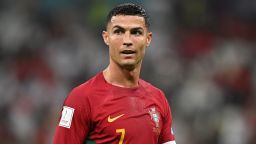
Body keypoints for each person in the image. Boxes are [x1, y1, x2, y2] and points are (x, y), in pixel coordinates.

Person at [53, 3, 176, 144]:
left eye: (136, 32)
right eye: (118, 32)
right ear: (106, 37)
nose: (127, 41)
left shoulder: (158, 98)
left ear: (148, 39)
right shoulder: (81, 99)